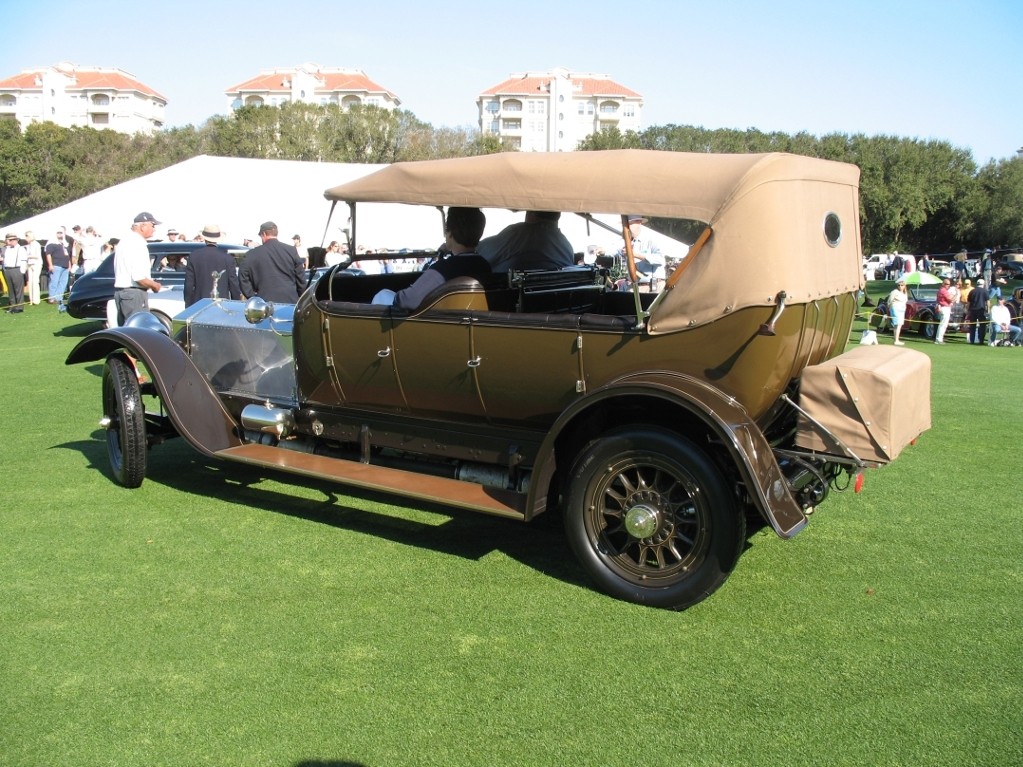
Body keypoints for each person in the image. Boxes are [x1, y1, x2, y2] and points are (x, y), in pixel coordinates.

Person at [375, 207, 489, 311]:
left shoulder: (444, 268)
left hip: (436, 323)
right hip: (464, 318)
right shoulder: (484, 265)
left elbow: (406, 301)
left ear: (450, 233)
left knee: (382, 294)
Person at [477, 211, 574, 272]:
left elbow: (480, 256)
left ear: (530, 213)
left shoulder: (517, 234)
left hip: (510, 301)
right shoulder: (566, 246)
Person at [113, 212, 163, 325]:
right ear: (143, 226)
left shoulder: (124, 241)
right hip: (134, 294)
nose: (154, 229)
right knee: (137, 329)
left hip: (121, 292)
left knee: (125, 330)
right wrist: (155, 285)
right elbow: (139, 277)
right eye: (153, 225)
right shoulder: (138, 244)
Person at [238, 221, 307, 303]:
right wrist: (301, 295)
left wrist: (252, 297)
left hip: (263, 304)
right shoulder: (291, 251)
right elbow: (300, 276)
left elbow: (242, 277)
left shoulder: (252, 254)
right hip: (290, 301)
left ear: (263, 234)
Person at [184, 224, 241, 306]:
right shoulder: (228, 258)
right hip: (222, 304)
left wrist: (188, 304)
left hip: (199, 304)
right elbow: (234, 285)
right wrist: (236, 304)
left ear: (204, 238)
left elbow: (188, 285)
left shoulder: (194, 256)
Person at [622, 215, 665, 290]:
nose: (626, 228)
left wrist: (635, 254)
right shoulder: (629, 242)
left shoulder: (651, 239)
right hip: (635, 287)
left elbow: (660, 260)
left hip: (652, 287)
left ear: (639, 222)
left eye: (629, 224)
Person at [45, 228, 73, 312]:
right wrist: (50, 265)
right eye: (58, 233)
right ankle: (51, 298)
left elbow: (67, 256)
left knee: (63, 283)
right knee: (54, 281)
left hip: (65, 266)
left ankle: (59, 298)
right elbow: (48, 255)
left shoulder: (64, 244)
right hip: (56, 265)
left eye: (61, 233)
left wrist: (69, 265)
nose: (60, 235)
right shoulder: (51, 244)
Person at [2, 232, 28, 313]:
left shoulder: (20, 249)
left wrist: (22, 271)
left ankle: (19, 307)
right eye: (9, 240)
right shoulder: (7, 249)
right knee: (11, 290)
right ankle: (12, 307)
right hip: (8, 270)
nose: (9, 242)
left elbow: (24, 260)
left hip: (17, 269)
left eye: (11, 240)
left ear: (15, 240)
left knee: (18, 289)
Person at [965, 278, 990, 345]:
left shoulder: (972, 291)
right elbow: (987, 302)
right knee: (982, 326)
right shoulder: (985, 291)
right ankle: (981, 340)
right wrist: (988, 310)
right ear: (983, 284)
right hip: (981, 311)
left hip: (973, 310)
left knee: (972, 326)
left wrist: (967, 310)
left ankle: (972, 340)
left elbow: (968, 302)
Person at [24, 230, 42, 305]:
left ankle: (36, 300)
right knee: (30, 282)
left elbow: (37, 256)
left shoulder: (36, 244)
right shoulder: (28, 245)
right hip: (29, 264)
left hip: (36, 264)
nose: (25, 239)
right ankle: (31, 299)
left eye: (26, 237)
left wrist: (27, 256)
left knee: (35, 282)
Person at [888, 278, 908, 345]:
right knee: (897, 324)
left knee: (899, 325)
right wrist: (890, 308)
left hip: (902, 310)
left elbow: (905, 301)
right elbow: (889, 301)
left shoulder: (905, 294)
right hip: (895, 309)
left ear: (904, 286)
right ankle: (896, 340)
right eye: (899, 285)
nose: (900, 286)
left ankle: (896, 339)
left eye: (902, 285)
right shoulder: (895, 292)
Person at [934, 278, 954, 344]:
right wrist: (955, 295)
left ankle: (939, 338)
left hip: (943, 307)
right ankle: (939, 339)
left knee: (942, 324)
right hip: (944, 307)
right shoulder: (943, 290)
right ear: (943, 284)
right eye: (946, 284)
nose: (948, 285)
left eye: (949, 284)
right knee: (943, 324)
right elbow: (950, 299)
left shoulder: (941, 290)